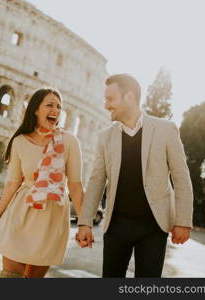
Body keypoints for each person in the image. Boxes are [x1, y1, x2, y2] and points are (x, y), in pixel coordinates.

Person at [76, 74, 193, 277]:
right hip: (116, 227)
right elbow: (96, 181)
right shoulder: (105, 138)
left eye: (110, 99)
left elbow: (181, 177)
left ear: (129, 97)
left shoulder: (166, 129)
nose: (106, 105)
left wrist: (183, 221)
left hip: (153, 228)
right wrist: (85, 222)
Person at [0, 88, 84, 278]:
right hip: (20, 213)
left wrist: (84, 224)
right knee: (9, 278)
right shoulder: (20, 142)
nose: (55, 109)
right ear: (35, 110)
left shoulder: (70, 142)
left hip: (51, 217)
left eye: (58, 106)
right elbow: (12, 183)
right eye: (49, 105)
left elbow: (75, 186)